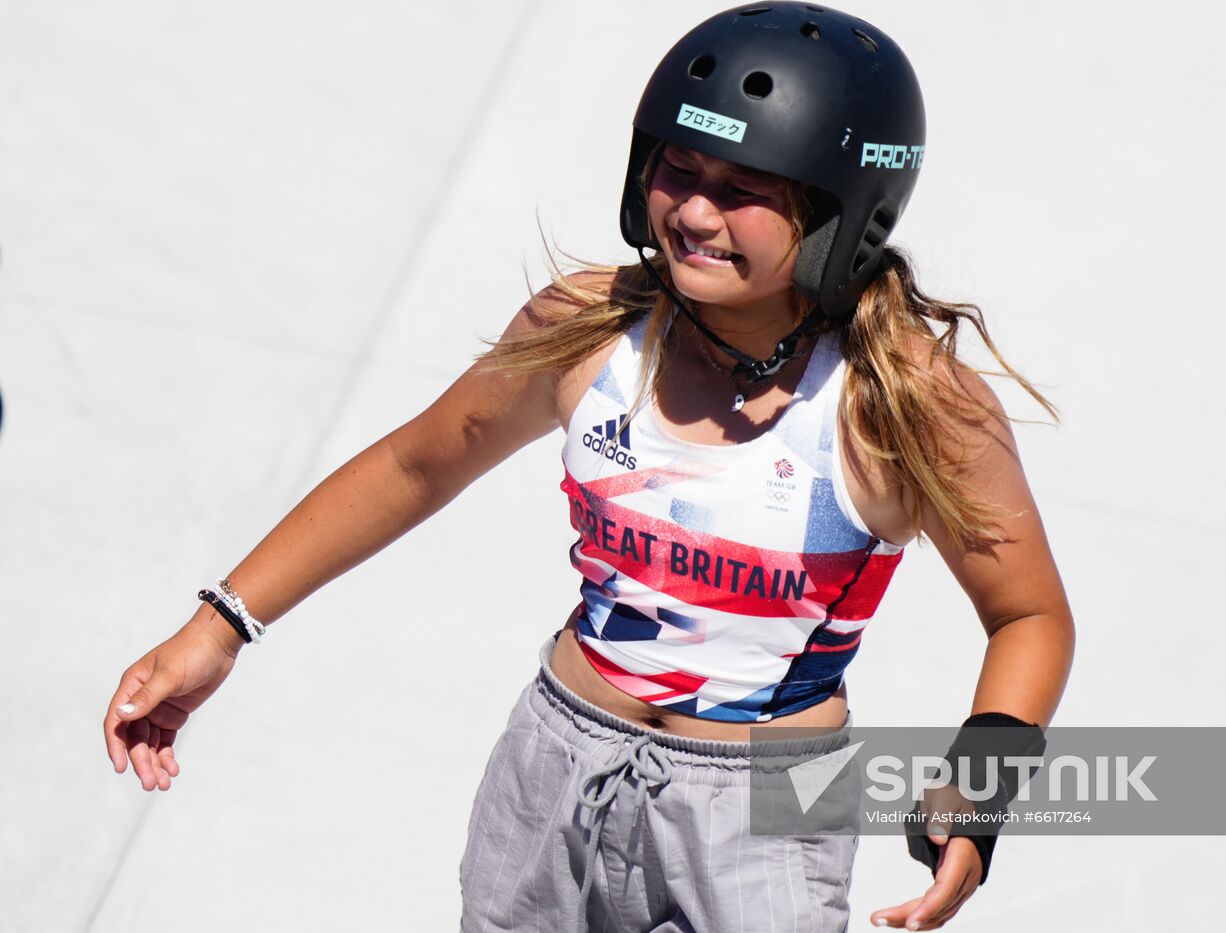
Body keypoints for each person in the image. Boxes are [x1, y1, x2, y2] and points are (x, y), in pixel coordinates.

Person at [102, 3, 1074, 930]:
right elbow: (414, 466)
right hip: (554, 766)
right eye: (676, 168)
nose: (693, 211)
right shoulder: (590, 328)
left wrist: (977, 790)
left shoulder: (898, 401)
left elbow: (1026, 614)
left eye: (740, 190)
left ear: (837, 216)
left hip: (760, 815)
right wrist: (220, 624)